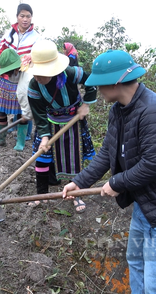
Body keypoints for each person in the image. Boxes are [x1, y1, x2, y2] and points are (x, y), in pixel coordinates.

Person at [62, 50, 156, 293]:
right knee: (136, 263)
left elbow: (153, 165)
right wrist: (79, 183)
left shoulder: (153, 111)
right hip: (146, 206)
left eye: (100, 84)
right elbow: (107, 152)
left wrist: (116, 183)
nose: (98, 90)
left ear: (115, 83)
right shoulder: (119, 110)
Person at [27, 39, 97, 212]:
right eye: (36, 73)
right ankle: (40, 195)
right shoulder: (34, 86)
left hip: (74, 121)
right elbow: (39, 114)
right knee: (42, 157)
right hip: (50, 122)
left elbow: (92, 82)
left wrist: (85, 105)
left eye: (42, 74)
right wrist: (44, 136)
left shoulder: (72, 73)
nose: (37, 77)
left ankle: (76, 195)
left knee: (75, 157)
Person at [0, 3, 39, 151]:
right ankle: (1, 139)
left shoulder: (36, 38)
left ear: (31, 18)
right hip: (6, 78)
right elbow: (1, 58)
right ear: (17, 17)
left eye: (28, 16)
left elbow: (38, 58)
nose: (25, 19)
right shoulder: (8, 35)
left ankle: (20, 142)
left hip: (23, 77)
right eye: (22, 16)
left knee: (22, 111)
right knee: (1, 111)